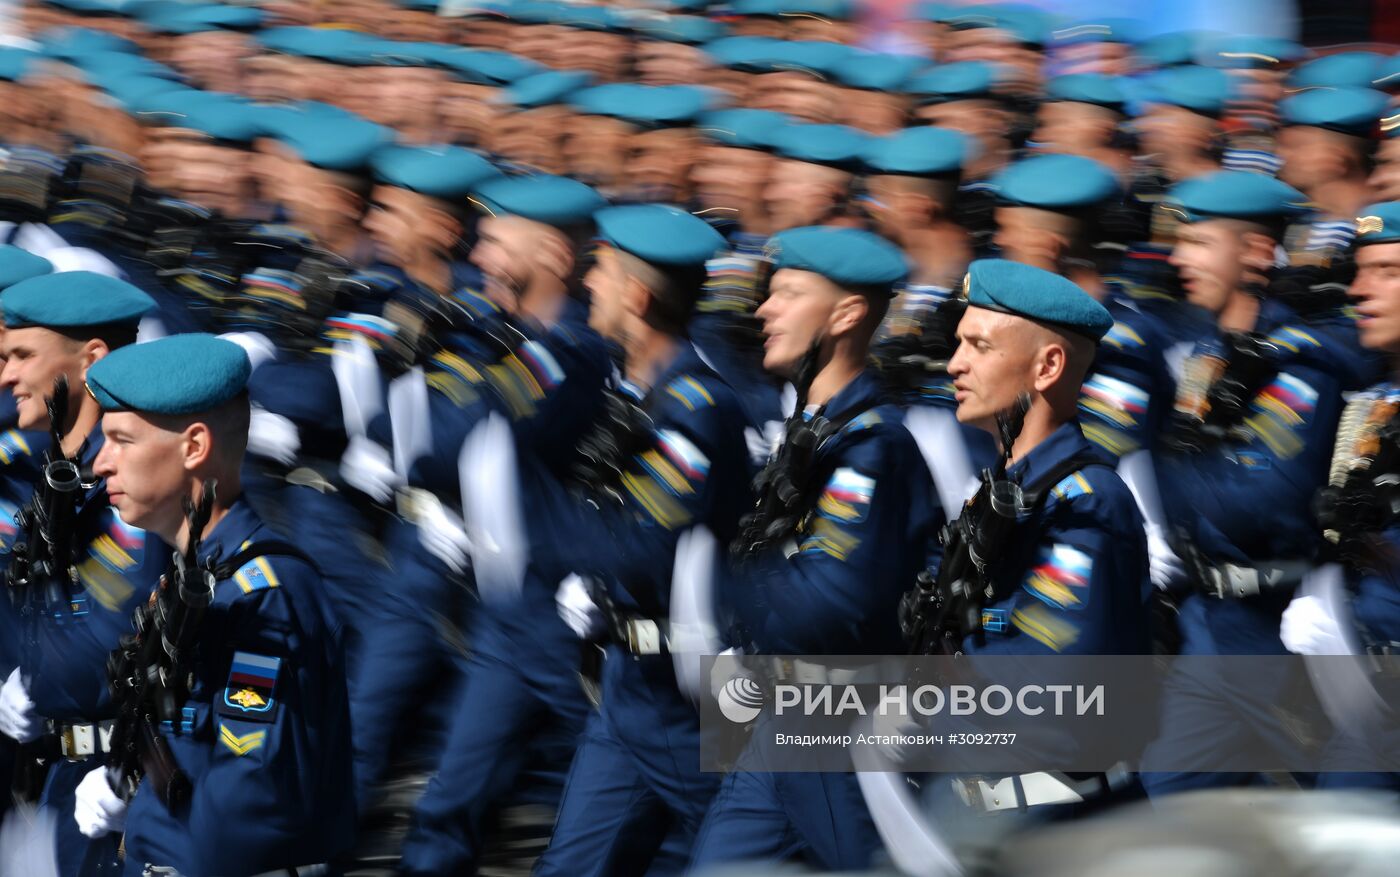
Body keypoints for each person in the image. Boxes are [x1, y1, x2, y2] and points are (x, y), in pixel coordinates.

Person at [690, 226, 940, 872]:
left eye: (790, 294)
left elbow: (832, 598)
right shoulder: (813, 429)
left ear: (847, 314)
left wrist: (708, 565)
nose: (764, 309)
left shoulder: (871, 448)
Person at [73, 333, 355, 876]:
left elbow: (246, 789)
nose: (100, 463)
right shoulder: (190, 577)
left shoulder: (260, 597)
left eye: (122, 440)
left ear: (194, 447)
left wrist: (150, 829)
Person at [530, 203, 748, 875]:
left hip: (686, 700)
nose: (587, 283)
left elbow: (643, 541)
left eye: (601, 270)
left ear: (639, 296)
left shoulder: (697, 410)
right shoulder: (638, 393)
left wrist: (529, 512)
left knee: (751, 850)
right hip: (630, 682)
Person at [1141, 171, 1357, 794]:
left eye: (1201, 242)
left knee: (1341, 813)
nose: (1180, 259)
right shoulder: (1211, 352)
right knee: (1172, 790)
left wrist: (1175, 470)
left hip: (1280, 639)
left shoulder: (1299, 364)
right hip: (1212, 626)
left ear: (1257, 254)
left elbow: (1265, 498)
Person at [0, 270, 164, 877]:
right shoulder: (50, 474)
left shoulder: (135, 478)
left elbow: (121, 622)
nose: (6, 376)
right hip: (55, 764)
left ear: (91, 359)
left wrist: (34, 683)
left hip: (123, 778)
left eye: (22, 355)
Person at [1281, 200, 1400, 791]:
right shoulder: (1375, 401)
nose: (1358, 290)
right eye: (1360, 270)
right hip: (1365, 688)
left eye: (1389, 272)